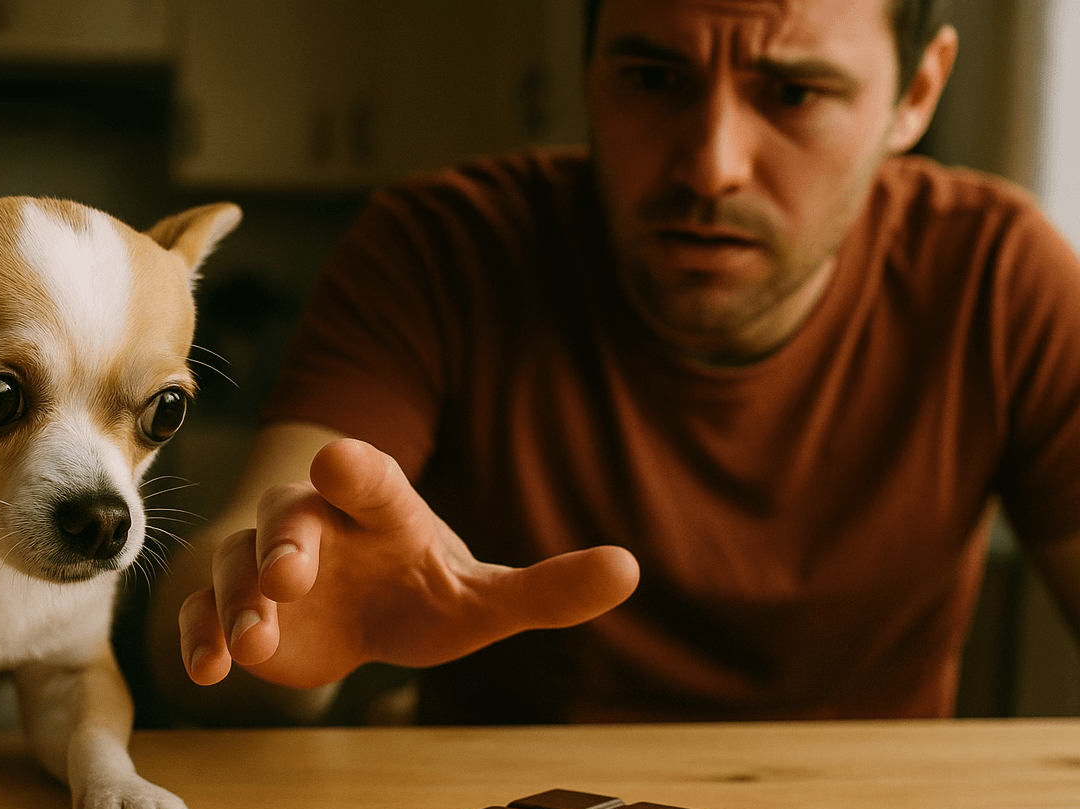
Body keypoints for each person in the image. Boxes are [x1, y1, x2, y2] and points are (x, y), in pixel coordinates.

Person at [147, 0, 1080, 726]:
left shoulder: (1001, 280)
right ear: (588, 69)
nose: (711, 166)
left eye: (794, 93)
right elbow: (197, 610)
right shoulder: (441, 251)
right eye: (652, 77)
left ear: (918, 91)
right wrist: (272, 635)